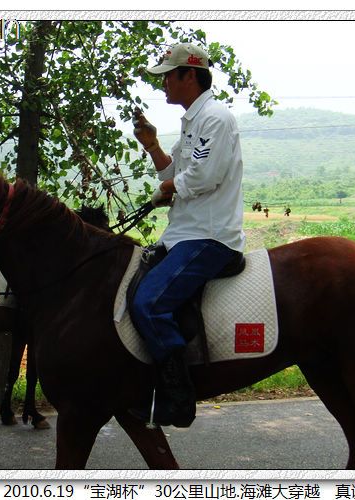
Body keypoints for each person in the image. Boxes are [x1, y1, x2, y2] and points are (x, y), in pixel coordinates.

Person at [129, 42, 246, 428]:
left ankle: (179, 396)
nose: (163, 85)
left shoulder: (215, 118)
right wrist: (152, 146)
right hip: (182, 234)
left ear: (189, 76)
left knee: (149, 303)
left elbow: (201, 177)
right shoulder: (193, 122)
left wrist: (167, 190)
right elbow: (172, 173)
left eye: (168, 76)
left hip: (209, 237)